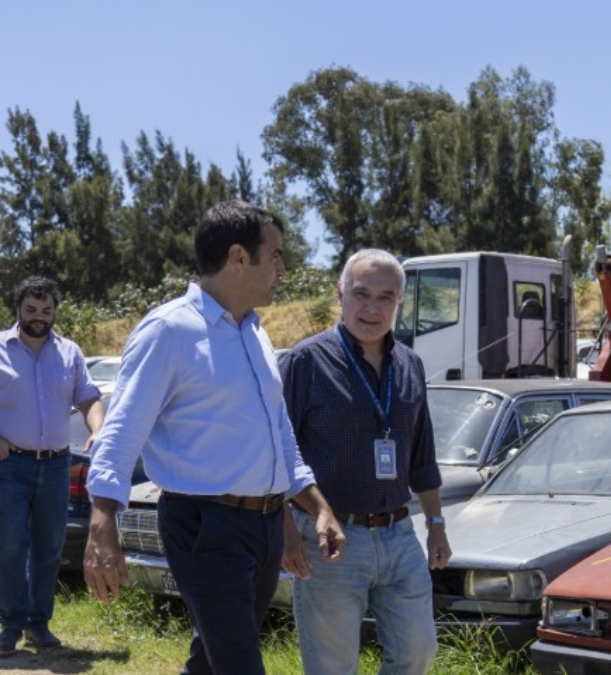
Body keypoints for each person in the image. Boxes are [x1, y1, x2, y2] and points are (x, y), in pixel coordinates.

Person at [83, 201, 347, 675]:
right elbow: (122, 428)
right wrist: (102, 521)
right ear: (238, 257)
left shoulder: (255, 333)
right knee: (239, 663)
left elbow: (277, 431)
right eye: (276, 256)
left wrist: (311, 507)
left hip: (263, 528)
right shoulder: (170, 330)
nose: (283, 269)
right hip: (205, 525)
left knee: (213, 659)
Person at [280, 248, 451, 675]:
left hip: (399, 535)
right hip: (331, 541)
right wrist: (283, 531)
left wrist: (436, 525)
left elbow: (421, 455)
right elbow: (278, 453)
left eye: (385, 297)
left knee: (418, 652)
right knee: (332, 667)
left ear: (399, 303)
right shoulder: (306, 361)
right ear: (340, 294)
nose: (372, 308)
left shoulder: (410, 365)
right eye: (361, 294)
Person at [0, 276, 105, 656]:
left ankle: (39, 625)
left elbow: (89, 397)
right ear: (18, 309)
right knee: (10, 546)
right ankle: (10, 626)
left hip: (58, 464)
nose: (39, 317)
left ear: (55, 311)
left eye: (46, 310)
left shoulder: (70, 352)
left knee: (49, 546)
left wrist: (98, 429)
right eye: (31, 310)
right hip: (10, 465)